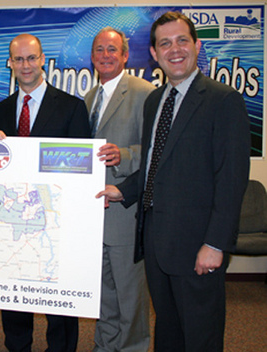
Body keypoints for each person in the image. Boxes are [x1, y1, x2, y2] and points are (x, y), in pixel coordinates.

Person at [97, 12, 250, 351]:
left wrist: (215, 244)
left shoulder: (223, 100)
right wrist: (121, 190)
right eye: (165, 43)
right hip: (155, 243)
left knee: (200, 335)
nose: (174, 49)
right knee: (168, 330)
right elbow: (155, 166)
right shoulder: (155, 100)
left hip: (198, 245)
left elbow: (232, 179)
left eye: (182, 40)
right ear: (154, 54)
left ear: (196, 45)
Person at [0, 33, 90, 352]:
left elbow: (82, 170)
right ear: (10, 63)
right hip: (14, 222)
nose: (26, 65)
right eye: (19, 59)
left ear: (43, 59)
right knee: (14, 297)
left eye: (32, 58)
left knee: (59, 304)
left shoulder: (72, 107)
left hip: (56, 221)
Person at [84, 27, 154, 352]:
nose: (105, 55)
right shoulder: (88, 99)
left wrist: (124, 156)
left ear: (125, 55)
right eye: (99, 49)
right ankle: (104, 347)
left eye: (112, 49)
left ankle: (134, 348)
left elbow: (159, 149)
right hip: (93, 216)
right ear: (92, 57)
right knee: (103, 297)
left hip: (125, 215)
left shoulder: (143, 92)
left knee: (130, 299)